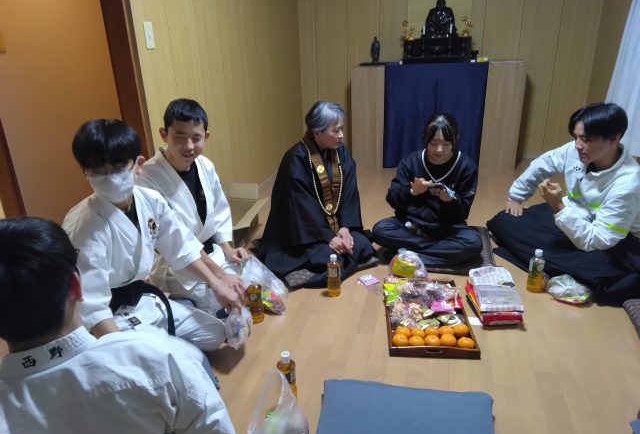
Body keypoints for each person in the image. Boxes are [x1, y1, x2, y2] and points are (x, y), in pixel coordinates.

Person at [0, 217, 242, 434]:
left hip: (143, 302)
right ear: (76, 285)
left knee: (212, 333)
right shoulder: (157, 358)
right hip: (120, 315)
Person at [62, 119, 243, 349]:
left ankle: (163, 336)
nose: (109, 177)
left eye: (118, 167)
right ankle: (159, 344)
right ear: (85, 172)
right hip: (111, 317)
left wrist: (217, 283)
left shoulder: (150, 200)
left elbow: (181, 247)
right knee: (161, 357)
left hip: (140, 299)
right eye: (98, 171)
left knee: (214, 334)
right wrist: (127, 354)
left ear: (138, 164)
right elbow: (93, 308)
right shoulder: (83, 224)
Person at [487, 102, 640, 303]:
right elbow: (542, 164)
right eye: (576, 137)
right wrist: (516, 197)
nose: (577, 145)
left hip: (615, 241)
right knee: (504, 221)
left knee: (602, 273)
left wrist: (557, 206)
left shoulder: (628, 183)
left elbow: (596, 240)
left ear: (613, 139)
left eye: (586, 139)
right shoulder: (575, 150)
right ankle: (559, 266)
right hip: (574, 214)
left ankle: (566, 267)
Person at [137, 98, 247, 316]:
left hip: (211, 253)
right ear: (164, 134)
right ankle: (181, 303)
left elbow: (219, 211)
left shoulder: (205, 166)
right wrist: (218, 276)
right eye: (179, 137)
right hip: (177, 265)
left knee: (248, 286)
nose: (188, 146)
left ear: (206, 136)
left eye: (196, 138)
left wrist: (228, 249)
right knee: (216, 310)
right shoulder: (146, 178)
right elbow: (177, 240)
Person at [258, 101, 375, 288]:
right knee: (333, 257)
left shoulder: (341, 151)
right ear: (317, 132)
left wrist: (345, 228)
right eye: (335, 131)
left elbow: (349, 192)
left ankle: (339, 254)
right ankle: (333, 258)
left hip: (336, 225)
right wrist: (329, 237)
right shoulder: (295, 158)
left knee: (363, 245)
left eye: (341, 129)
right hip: (304, 234)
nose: (341, 135)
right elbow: (300, 208)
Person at [372, 113, 482, 267]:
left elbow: (463, 213)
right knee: (380, 230)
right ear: (425, 139)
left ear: (456, 140)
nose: (439, 150)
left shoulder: (467, 166)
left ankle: (410, 256)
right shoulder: (411, 161)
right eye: (433, 143)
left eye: (446, 144)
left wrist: (451, 202)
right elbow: (392, 198)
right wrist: (412, 192)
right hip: (412, 225)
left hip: (447, 227)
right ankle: (436, 254)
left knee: (474, 242)